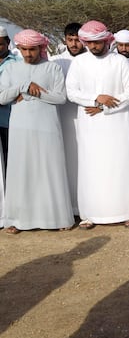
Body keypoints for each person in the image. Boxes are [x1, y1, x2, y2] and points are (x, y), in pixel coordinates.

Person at [65, 20, 129, 229]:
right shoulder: (79, 63)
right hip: (90, 123)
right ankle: (90, 213)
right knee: (92, 166)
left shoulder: (120, 62)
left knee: (121, 164)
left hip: (117, 122)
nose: (94, 47)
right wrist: (96, 99)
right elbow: (71, 92)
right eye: (90, 43)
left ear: (107, 40)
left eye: (98, 42)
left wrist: (106, 108)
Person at [0, 30, 73, 234]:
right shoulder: (11, 69)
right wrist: (23, 87)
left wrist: (37, 92)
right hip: (20, 127)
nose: (28, 54)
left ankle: (57, 217)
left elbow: (60, 98)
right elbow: (2, 97)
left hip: (47, 126)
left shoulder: (53, 68)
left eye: (32, 50)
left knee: (48, 169)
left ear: (41, 48)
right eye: (24, 50)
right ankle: (17, 220)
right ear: (19, 48)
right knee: (21, 170)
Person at [52, 22, 86, 216]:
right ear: (64, 40)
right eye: (70, 40)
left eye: (78, 40)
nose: (74, 44)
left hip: (88, 117)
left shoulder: (91, 60)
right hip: (64, 118)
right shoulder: (56, 61)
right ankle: (70, 207)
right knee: (68, 162)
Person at [0, 25, 21, 166]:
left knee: (9, 160)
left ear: (8, 43)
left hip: (8, 121)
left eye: (0, 44)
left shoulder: (17, 64)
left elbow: (19, 91)